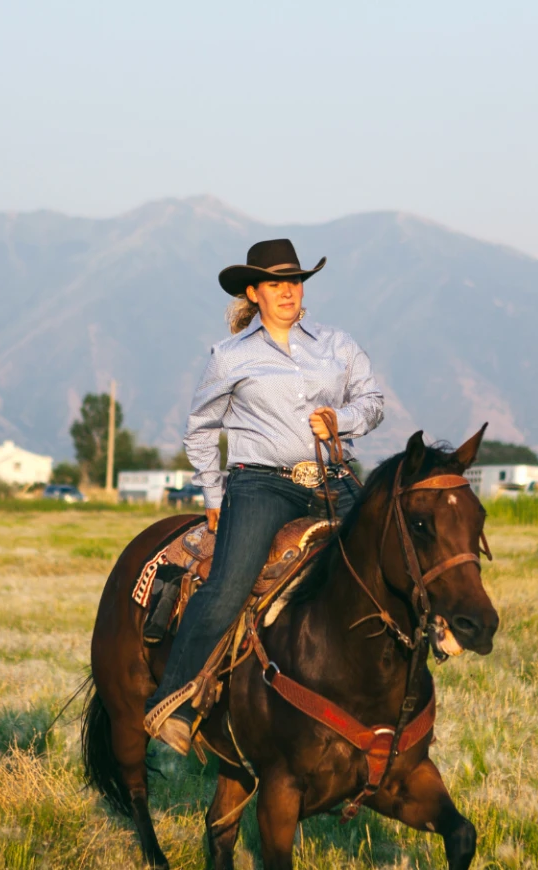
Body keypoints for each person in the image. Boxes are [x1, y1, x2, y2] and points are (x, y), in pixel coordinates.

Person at [143, 239, 384, 755]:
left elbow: (373, 400)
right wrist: (213, 490)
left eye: (294, 282)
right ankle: (176, 703)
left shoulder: (336, 344)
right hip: (261, 482)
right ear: (254, 292)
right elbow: (201, 429)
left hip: (330, 476)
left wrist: (345, 420)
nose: (287, 292)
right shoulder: (230, 356)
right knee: (229, 585)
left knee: (383, 552)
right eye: (275, 284)